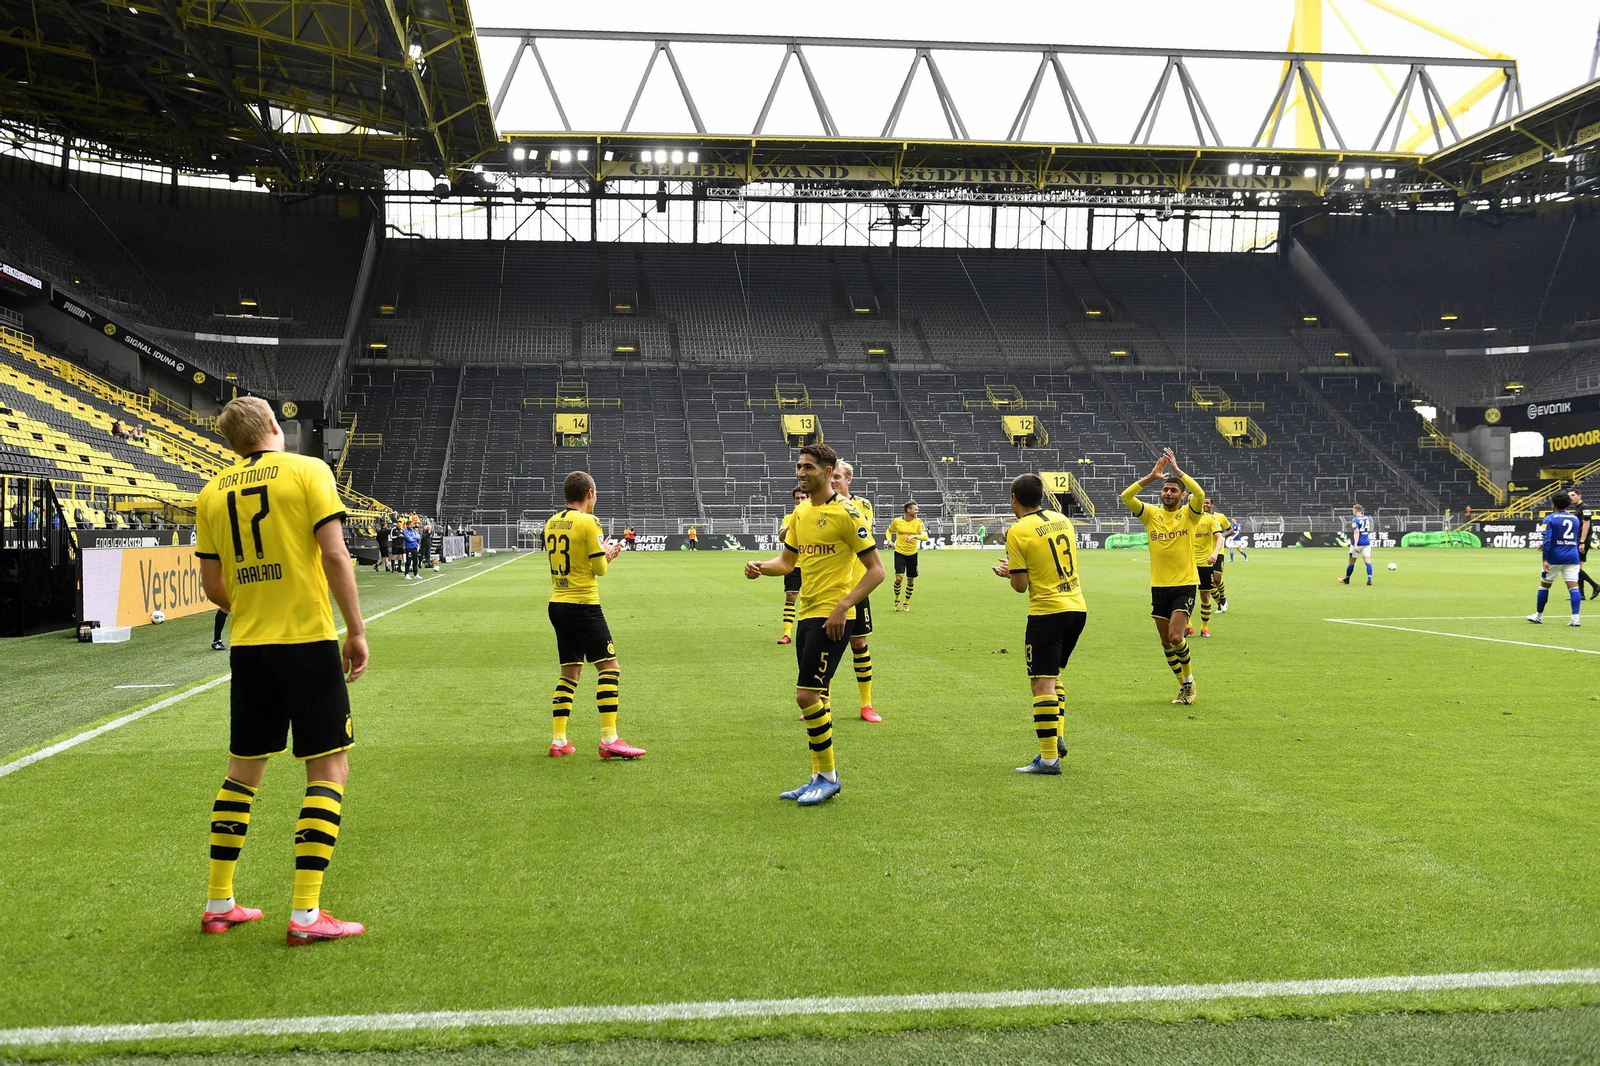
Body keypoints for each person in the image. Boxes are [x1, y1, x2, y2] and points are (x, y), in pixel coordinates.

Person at [192, 395, 368, 945]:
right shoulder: (309, 470)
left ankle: (219, 903)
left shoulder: (211, 492)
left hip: (250, 646)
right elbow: (336, 554)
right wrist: (357, 630)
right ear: (275, 426)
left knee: (242, 771)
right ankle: (307, 915)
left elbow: (212, 588)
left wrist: (252, 604)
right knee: (328, 770)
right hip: (306, 639)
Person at [744, 443, 883, 806]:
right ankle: (817, 776)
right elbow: (788, 563)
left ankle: (830, 777)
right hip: (807, 614)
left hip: (833, 617)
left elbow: (877, 571)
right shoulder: (801, 513)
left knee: (806, 695)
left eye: (808, 467)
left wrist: (844, 605)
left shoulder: (849, 514)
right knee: (815, 697)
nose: (801, 473)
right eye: (799, 467)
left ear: (828, 469)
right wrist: (762, 567)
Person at [544, 471, 643, 760]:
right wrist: (607, 553)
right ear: (589, 494)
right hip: (583, 603)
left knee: (570, 671)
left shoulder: (551, 522)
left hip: (558, 603)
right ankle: (609, 739)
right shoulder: (590, 521)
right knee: (609, 667)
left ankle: (559, 739)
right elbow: (599, 569)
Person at [992, 473, 1086, 775]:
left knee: (1040, 683)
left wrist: (1011, 574)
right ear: (1042, 497)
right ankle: (1056, 731)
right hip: (1077, 607)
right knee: (1053, 675)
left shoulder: (1018, 531)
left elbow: (1021, 586)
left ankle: (1048, 760)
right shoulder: (1063, 520)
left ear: (1014, 499)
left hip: (1047, 611)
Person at [1120, 448, 1204, 706]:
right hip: (1159, 586)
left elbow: (1199, 493)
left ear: (1181, 495)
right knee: (1166, 642)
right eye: (1165, 489)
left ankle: (1189, 683)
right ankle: (1183, 685)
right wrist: (1151, 476)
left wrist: (1178, 471)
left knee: (1177, 637)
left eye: (1173, 490)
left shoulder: (1190, 514)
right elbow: (1126, 496)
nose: (1168, 493)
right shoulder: (1150, 515)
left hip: (1185, 584)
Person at [831, 459, 880, 723]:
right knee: (826, 647)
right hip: (830, 588)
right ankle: (821, 701)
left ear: (848, 479)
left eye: (838, 476)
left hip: (857, 589)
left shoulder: (862, 505)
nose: (833, 480)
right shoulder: (818, 505)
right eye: (831, 476)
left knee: (859, 643)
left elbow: (859, 531)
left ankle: (866, 704)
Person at [1528, 492, 1583, 627]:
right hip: (1572, 556)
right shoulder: (1575, 519)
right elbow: (1569, 538)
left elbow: (1547, 539)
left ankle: (1539, 616)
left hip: (1554, 557)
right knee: (1573, 588)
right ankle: (1575, 619)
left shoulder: (1549, 519)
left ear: (1553, 504)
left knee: (1544, 586)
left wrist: (1545, 558)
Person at [885, 500, 931, 611]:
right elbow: (889, 531)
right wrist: (889, 540)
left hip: (912, 554)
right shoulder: (897, 521)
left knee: (910, 580)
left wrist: (914, 536)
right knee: (899, 578)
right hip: (900, 553)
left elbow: (925, 537)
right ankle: (897, 600)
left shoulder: (918, 522)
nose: (917, 511)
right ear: (908, 510)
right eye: (915, 509)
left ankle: (906, 602)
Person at [1190, 499, 1225, 638]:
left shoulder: (1209, 519)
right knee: (1187, 596)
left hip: (1205, 563)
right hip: (1189, 563)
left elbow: (1219, 537)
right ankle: (1188, 625)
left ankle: (1204, 628)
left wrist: (1215, 553)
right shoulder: (1185, 518)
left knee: (1205, 595)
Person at [777, 486, 806, 645]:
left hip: (812, 564)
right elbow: (782, 537)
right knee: (790, 596)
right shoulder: (789, 517)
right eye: (797, 498)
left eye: (803, 498)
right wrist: (789, 527)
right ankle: (787, 633)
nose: (799, 501)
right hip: (793, 564)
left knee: (814, 600)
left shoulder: (816, 516)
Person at [1207, 499, 1235, 611]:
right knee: (1208, 581)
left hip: (1218, 551)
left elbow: (1230, 530)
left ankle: (1222, 596)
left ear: (1212, 505)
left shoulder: (1220, 517)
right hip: (1204, 553)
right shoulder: (1198, 517)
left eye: (1207, 503)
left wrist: (1221, 535)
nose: (1205, 504)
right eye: (1203, 502)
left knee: (1217, 578)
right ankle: (1219, 602)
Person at [1341, 505, 1375, 586]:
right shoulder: (1367, 518)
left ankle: (1347, 579)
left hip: (1358, 543)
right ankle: (1369, 579)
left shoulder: (1355, 519)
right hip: (1366, 542)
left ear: (1355, 511)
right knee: (1368, 561)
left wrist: (1355, 544)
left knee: (1351, 562)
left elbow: (1356, 532)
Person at [1573, 491, 1598, 600]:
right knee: (1577, 567)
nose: (1571, 498)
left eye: (1573, 495)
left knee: (1574, 567)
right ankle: (1581, 594)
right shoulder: (1578, 508)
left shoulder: (1585, 507)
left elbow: (1586, 524)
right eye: (1569, 496)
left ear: (1579, 496)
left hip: (1583, 539)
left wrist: (1582, 542)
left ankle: (1596, 586)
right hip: (1579, 538)